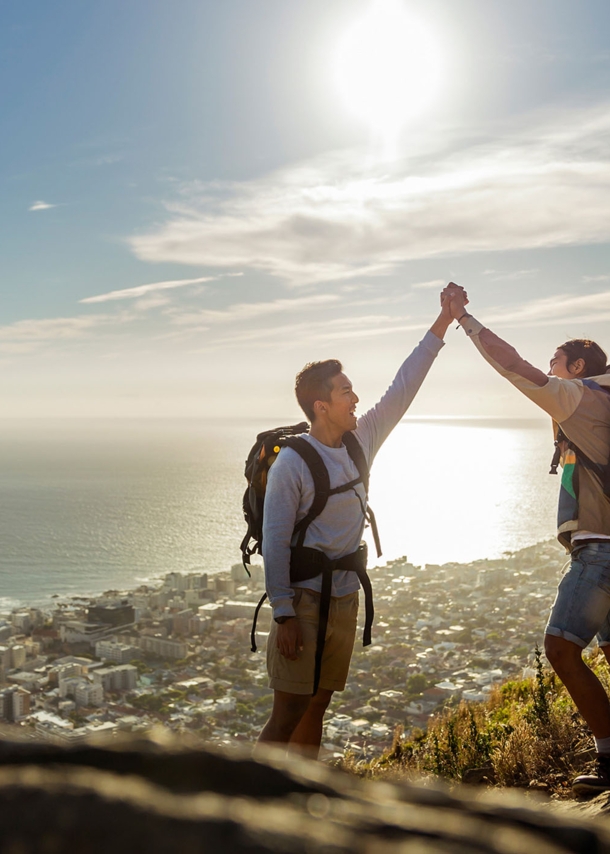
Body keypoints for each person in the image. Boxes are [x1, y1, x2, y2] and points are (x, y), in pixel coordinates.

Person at [257, 297, 456, 757]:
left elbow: (404, 386)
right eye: (346, 392)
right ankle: (246, 802)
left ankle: (299, 791)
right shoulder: (293, 463)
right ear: (321, 405)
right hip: (303, 603)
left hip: (344, 597)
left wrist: (443, 321)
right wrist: (283, 614)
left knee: (318, 705)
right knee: (288, 710)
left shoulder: (359, 441)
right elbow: (274, 541)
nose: (357, 398)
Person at [443, 281, 610, 794]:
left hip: (601, 551)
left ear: (577, 368)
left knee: (560, 647)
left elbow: (515, 368)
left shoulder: (584, 399)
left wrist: (465, 322)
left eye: (556, 362)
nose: (550, 371)